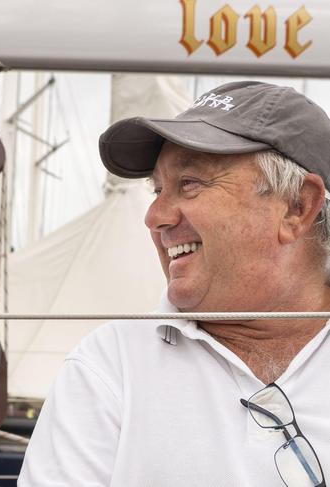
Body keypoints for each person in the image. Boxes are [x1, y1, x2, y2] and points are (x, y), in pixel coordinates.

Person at [19, 81, 330, 486]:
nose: (155, 216)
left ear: (297, 207)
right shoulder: (109, 367)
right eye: (158, 189)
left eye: (190, 184)